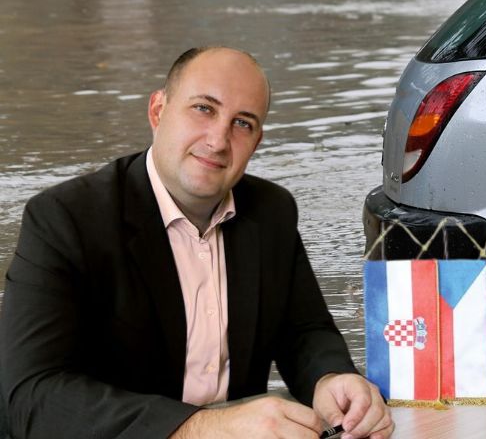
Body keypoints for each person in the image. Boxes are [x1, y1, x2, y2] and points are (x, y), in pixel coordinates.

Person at [0, 47, 394, 439]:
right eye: (204, 108)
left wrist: (330, 379)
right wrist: (205, 427)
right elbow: (32, 398)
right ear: (158, 111)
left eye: (243, 123)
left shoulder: (272, 212)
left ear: (256, 142)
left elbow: (304, 331)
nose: (219, 140)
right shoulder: (64, 218)